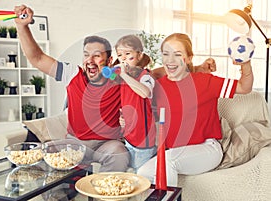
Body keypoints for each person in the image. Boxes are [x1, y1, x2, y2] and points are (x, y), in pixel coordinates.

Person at [14, 5, 129, 172]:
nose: (90, 60)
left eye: (96, 55)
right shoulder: (72, 73)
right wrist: (22, 26)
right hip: (74, 144)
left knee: (119, 153)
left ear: (109, 60)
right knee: (43, 151)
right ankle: (57, 195)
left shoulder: (120, 79)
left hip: (106, 144)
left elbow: (150, 77)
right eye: (86, 54)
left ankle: (104, 195)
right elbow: (37, 58)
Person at [137, 33, 253, 187]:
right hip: (175, 151)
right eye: (166, 54)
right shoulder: (158, 86)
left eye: (177, 54)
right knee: (142, 173)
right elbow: (150, 76)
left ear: (189, 58)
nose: (170, 60)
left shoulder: (205, 81)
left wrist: (245, 63)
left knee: (167, 162)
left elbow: (244, 87)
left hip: (207, 150)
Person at [114, 35, 157, 171]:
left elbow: (144, 93)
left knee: (142, 176)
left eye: (128, 54)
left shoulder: (146, 76)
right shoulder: (123, 80)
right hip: (129, 136)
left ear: (139, 55)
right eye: (120, 55)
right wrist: (122, 118)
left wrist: (124, 75)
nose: (124, 59)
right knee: (130, 173)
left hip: (143, 140)